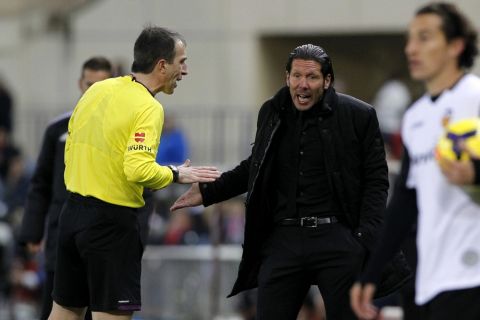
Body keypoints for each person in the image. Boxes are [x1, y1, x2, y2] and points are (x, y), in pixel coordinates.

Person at [171, 44, 409, 319]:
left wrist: (362, 236)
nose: (303, 85)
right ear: (287, 77)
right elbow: (255, 165)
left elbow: (377, 181)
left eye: (312, 77)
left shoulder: (359, 115)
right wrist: (208, 191)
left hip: (338, 240)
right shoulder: (272, 112)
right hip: (284, 240)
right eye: (296, 76)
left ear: (327, 81)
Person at [47, 26, 221, 320]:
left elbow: (72, 142)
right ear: (162, 65)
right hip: (111, 225)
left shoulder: (97, 90)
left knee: (64, 313)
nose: (186, 70)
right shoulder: (149, 107)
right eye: (182, 62)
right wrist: (176, 174)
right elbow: (138, 169)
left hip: (72, 215)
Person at [350, 3, 480, 320]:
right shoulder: (415, 117)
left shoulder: (475, 97)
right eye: (410, 39)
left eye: (424, 38)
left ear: (455, 45)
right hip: (428, 279)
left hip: (473, 274)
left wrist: (476, 172)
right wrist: (372, 271)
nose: (412, 48)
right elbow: (404, 202)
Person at [17, 56, 113, 320]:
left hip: (103, 233)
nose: (93, 90)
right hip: (62, 232)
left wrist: (140, 234)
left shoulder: (120, 129)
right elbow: (41, 182)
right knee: (57, 306)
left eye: (100, 84)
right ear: (80, 83)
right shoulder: (59, 130)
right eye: (89, 83)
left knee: (99, 309)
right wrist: (32, 231)